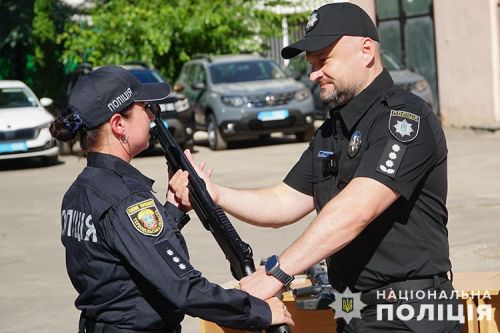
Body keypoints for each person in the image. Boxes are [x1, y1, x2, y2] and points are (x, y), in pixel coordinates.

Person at [170, 3, 462, 332]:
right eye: (311, 63)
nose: (313, 73)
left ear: (366, 51)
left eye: (323, 60)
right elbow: (283, 201)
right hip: (355, 310)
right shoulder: (332, 131)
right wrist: (215, 194)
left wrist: (276, 273)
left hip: (413, 312)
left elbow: (356, 210)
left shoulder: (404, 119)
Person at [49, 66, 293, 333]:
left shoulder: (79, 191)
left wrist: (172, 211)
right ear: (119, 124)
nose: (153, 115)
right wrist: (259, 311)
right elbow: (184, 288)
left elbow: (127, 259)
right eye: (145, 108)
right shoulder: (127, 198)